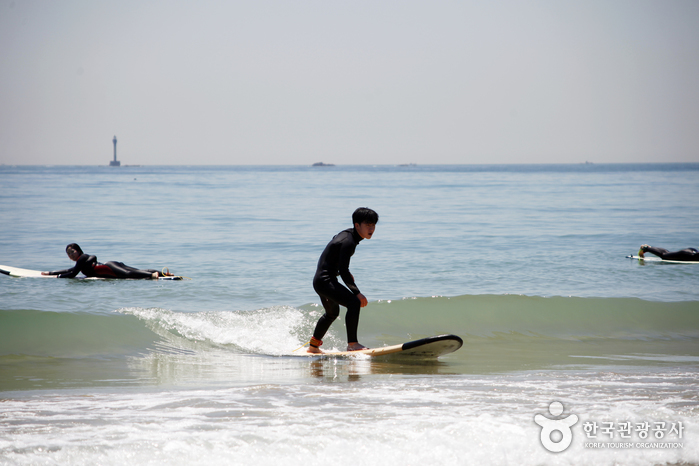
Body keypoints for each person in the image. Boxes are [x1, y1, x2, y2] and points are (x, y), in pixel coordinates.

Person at [307, 207, 379, 353]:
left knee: (332, 314)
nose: (371, 229)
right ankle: (352, 344)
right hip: (325, 281)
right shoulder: (349, 242)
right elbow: (344, 270)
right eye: (367, 225)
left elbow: (335, 255)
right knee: (354, 302)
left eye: (373, 225)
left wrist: (341, 271)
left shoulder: (347, 234)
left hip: (321, 280)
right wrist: (357, 293)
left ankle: (313, 347)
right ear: (357, 225)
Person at [41, 243, 173, 279]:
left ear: (78, 251)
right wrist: (51, 272)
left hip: (109, 267)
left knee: (128, 274)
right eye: (68, 254)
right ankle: (164, 274)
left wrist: (58, 277)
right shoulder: (81, 262)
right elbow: (70, 270)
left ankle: (152, 275)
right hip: (112, 266)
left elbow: (72, 274)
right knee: (137, 270)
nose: (71, 255)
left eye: (72, 252)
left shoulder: (82, 257)